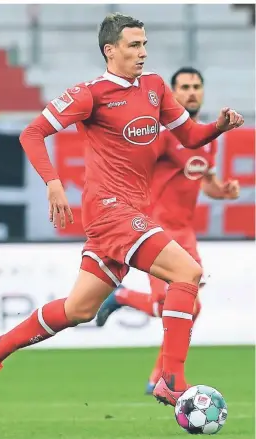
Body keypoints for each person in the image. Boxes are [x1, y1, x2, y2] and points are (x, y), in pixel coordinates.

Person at [0, 13, 244, 407]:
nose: (143, 53)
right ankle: (171, 380)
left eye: (145, 45)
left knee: (78, 309)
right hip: (110, 211)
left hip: (127, 215)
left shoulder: (154, 88)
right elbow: (32, 133)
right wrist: (53, 183)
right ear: (110, 50)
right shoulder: (91, 93)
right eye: (134, 46)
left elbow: (190, 137)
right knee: (187, 272)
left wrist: (218, 126)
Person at [95, 67, 240, 394]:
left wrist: (223, 191)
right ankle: (125, 300)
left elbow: (207, 184)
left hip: (185, 233)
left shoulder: (206, 138)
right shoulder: (161, 134)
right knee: (171, 305)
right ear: (172, 94)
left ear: (203, 92)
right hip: (158, 229)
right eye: (184, 87)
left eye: (196, 86)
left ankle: (158, 377)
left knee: (192, 308)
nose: (191, 92)